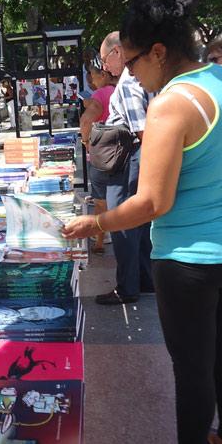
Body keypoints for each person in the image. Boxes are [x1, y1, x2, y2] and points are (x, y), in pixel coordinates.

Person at [64, 0, 222, 444]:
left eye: (131, 62)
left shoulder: (172, 103)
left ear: (158, 51)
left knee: (192, 364)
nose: (130, 75)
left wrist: (97, 222)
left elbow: (153, 201)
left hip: (191, 259)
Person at [94, 31, 153, 304]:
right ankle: (144, 278)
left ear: (117, 51)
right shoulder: (137, 78)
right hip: (135, 157)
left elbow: (142, 131)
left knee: (122, 222)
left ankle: (128, 287)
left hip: (129, 158)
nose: (105, 66)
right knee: (138, 222)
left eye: (105, 59)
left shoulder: (129, 82)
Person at [80, 64, 117, 253]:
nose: (92, 83)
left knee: (101, 200)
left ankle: (100, 241)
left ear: (103, 75)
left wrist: (86, 141)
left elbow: (86, 121)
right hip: (122, 153)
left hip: (102, 153)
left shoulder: (101, 95)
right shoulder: (120, 91)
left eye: (93, 78)